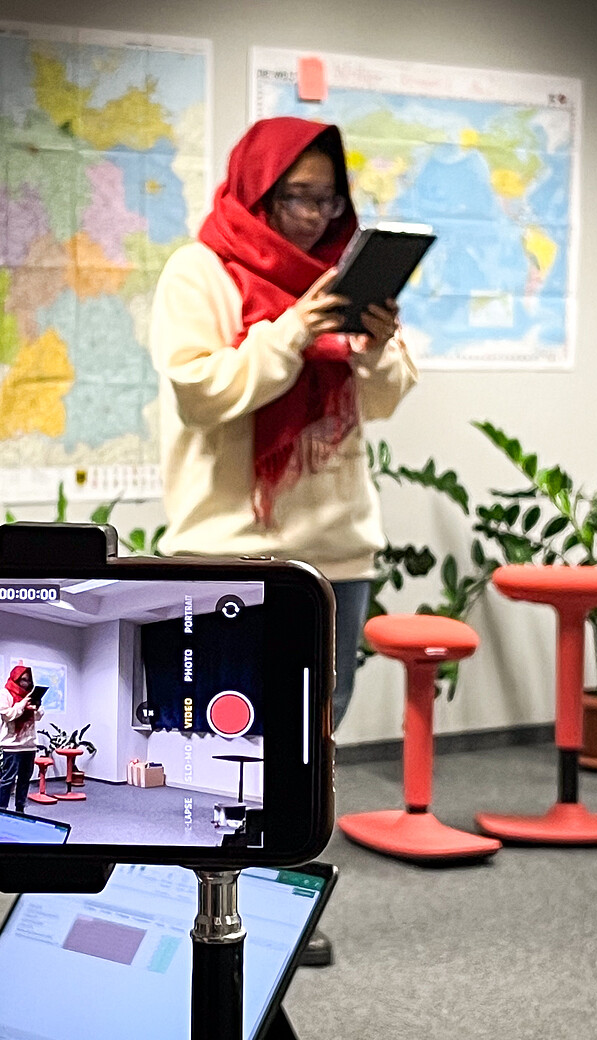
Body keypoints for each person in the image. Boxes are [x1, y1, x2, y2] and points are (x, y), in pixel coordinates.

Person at [149, 117, 419, 964]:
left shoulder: (336, 279)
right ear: (257, 191)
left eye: (327, 199)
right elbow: (201, 391)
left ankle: (274, 896)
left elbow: (383, 400)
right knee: (220, 735)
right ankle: (204, 897)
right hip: (227, 548)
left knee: (314, 737)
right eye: (296, 197)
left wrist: (374, 346)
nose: (311, 216)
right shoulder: (200, 271)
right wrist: (293, 332)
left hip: (335, 551)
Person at [0, 665, 40, 815]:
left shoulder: (29, 694)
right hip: (12, 745)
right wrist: (22, 704)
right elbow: (7, 715)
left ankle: (20, 810)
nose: (26, 683)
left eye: (28, 680)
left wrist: (36, 707)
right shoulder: (5, 693)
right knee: (8, 779)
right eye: (23, 680)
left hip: (29, 745)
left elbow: (38, 717)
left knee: (25, 779)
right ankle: (2, 811)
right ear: (16, 678)